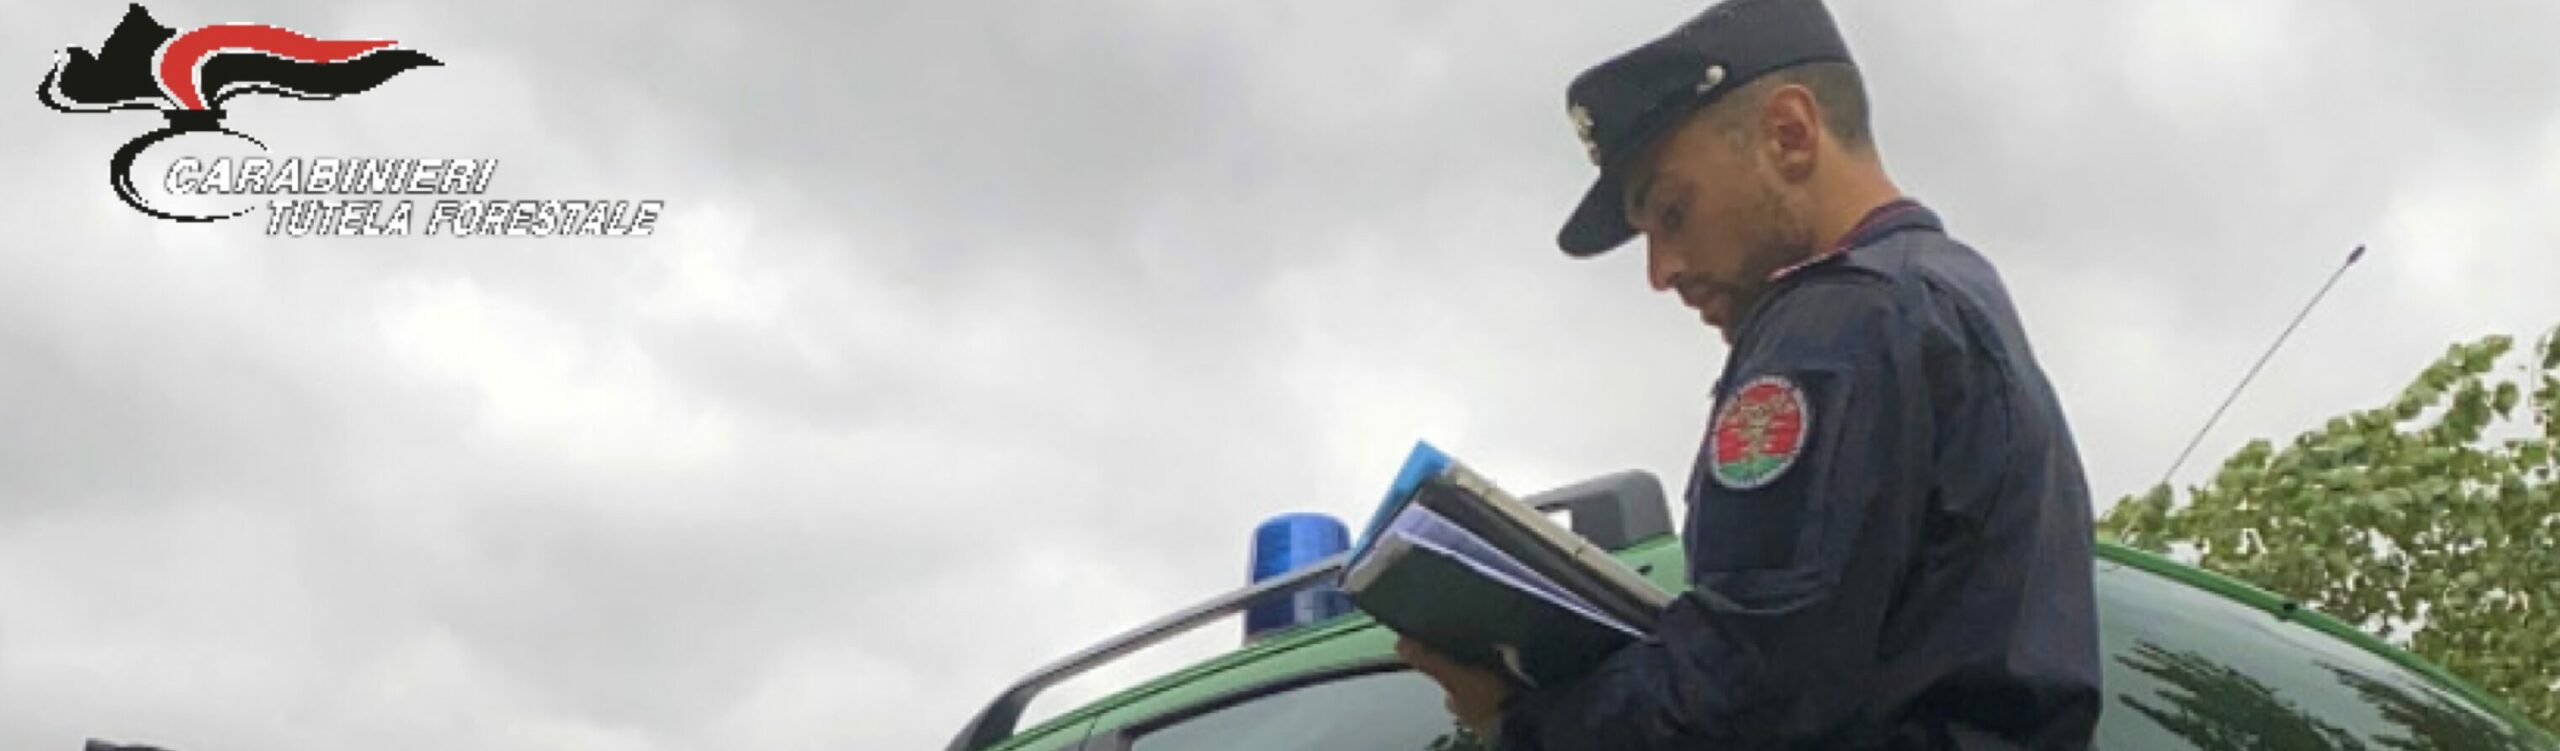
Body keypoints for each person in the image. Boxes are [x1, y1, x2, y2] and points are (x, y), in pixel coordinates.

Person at [1397, 0, 2105, 748]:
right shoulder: (1951, 293)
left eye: (1672, 212)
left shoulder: (1838, 322)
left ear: (1789, 134)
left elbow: (1743, 690)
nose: (1661, 271)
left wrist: (1518, 721)